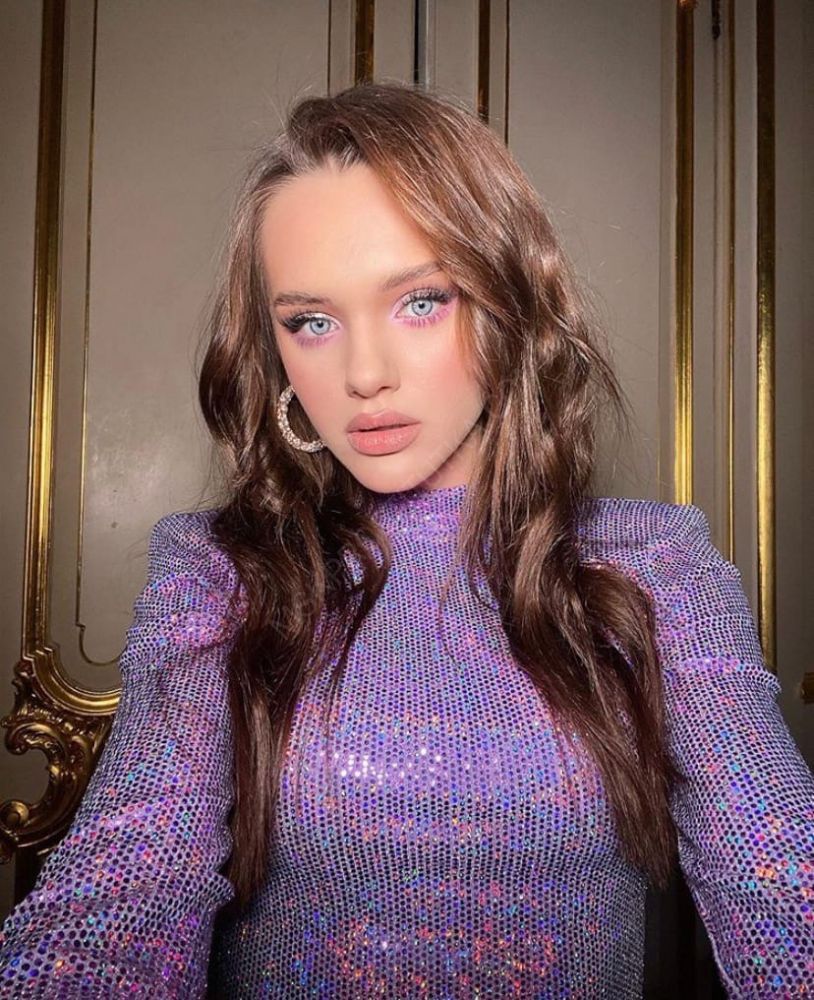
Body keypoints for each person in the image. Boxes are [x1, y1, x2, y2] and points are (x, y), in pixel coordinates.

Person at [0, 80, 812, 999]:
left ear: (508, 302)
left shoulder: (652, 562)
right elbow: (119, 894)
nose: (364, 374)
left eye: (421, 301)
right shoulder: (218, 573)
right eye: (311, 322)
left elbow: (776, 871)